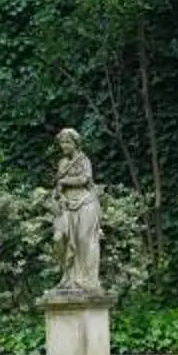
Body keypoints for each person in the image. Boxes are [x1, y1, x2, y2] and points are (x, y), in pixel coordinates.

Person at [50, 127, 103, 297]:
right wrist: (59, 194)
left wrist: (65, 181)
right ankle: (68, 277)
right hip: (67, 206)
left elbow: (85, 179)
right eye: (62, 142)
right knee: (60, 239)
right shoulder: (62, 163)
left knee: (83, 240)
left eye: (67, 142)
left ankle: (87, 280)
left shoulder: (83, 160)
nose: (64, 145)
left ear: (75, 143)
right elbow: (58, 186)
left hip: (86, 203)